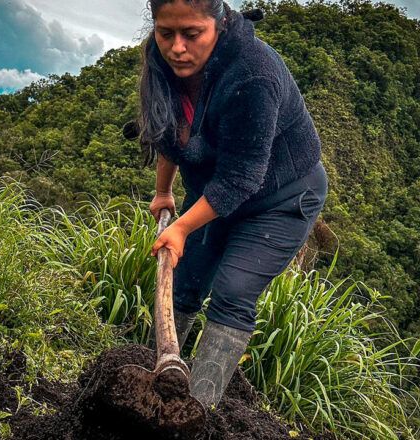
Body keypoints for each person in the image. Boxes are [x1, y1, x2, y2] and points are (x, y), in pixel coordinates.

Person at [136, 0, 328, 408]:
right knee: (184, 276)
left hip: (281, 197)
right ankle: (156, 373)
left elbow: (242, 177)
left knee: (233, 291)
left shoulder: (253, 73)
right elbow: (169, 127)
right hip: (215, 189)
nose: (177, 48)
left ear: (220, 24)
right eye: (166, 33)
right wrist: (164, 192)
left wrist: (182, 226)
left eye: (192, 34)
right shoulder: (162, 58)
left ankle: (196, 409)